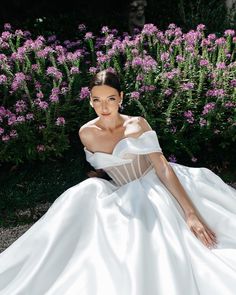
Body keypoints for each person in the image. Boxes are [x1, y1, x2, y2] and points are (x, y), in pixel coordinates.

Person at [0, 70, 236, 295]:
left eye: (111, 98)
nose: (104, 107)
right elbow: (106, 167)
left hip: (155, 183)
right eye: (97, 100)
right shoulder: (86, 133)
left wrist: (190, 214)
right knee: (82, 195)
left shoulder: (137, 124)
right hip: (122, 190)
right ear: (90, 101)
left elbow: (162, 166)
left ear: (121, 98)